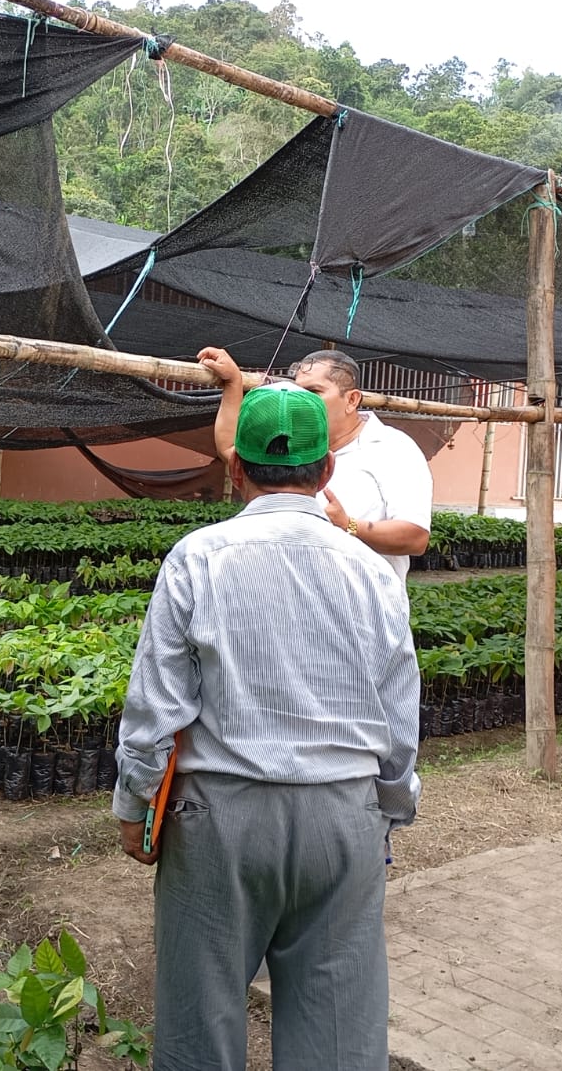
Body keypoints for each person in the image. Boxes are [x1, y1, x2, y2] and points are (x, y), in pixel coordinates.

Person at [113, 380, 420, 1071]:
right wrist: (389, 809)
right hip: (342, 816)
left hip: (219, 819)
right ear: (327, 469)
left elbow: (157, 705)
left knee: (200, 1020)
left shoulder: (197, 556)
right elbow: (400, 713)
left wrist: (135, 805)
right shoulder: (373, 572)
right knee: (336, 1031)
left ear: (236, 469)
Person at [199, 346, 431, 582]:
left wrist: (348, 525)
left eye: (314, 392)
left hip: (361, 598)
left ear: (352, 400)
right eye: (300, 392)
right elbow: (233, 449)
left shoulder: (392, 447)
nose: (303, 402)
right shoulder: (295, 441)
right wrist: (233, 383)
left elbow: (416, 538)